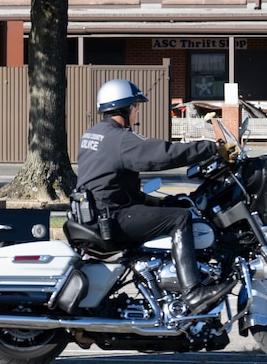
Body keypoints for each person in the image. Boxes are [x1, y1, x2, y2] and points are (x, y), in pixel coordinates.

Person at [75, 78, 237, 313]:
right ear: (124, 107)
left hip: (97, 213)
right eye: (135, 105)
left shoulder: (94, 134)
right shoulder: (121, 139)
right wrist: (210, 148)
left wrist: (157, 202)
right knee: (180, 218)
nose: (137, 110)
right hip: (113, 219)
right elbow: (163, 154)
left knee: (171, 209)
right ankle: (193, 292)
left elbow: (113, 184)